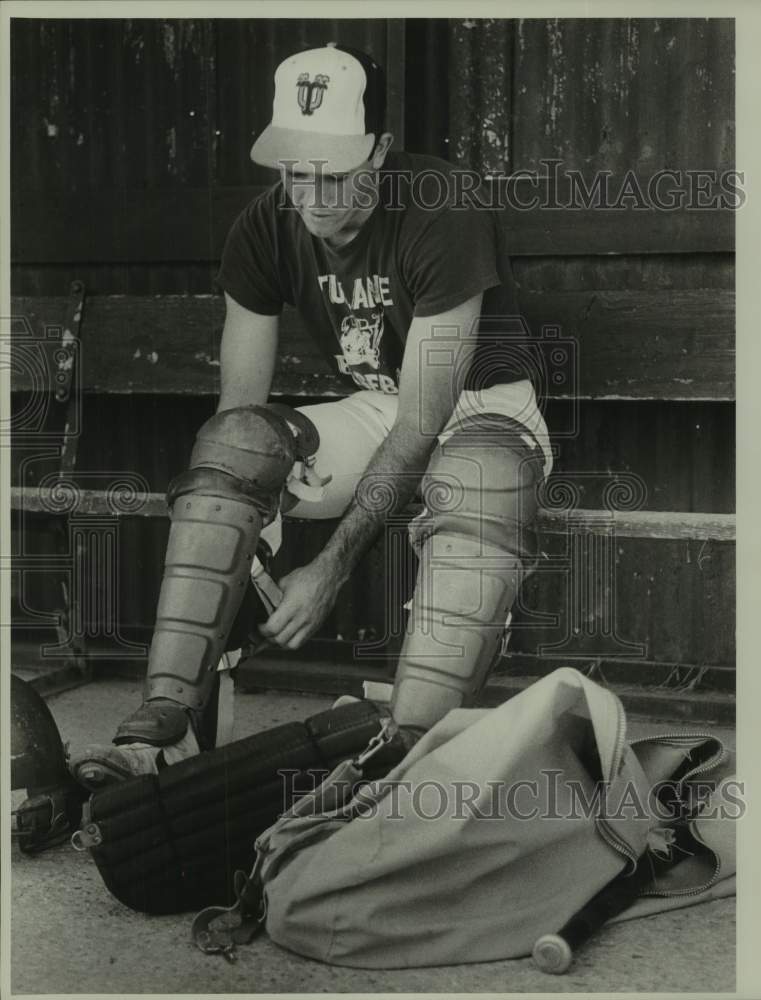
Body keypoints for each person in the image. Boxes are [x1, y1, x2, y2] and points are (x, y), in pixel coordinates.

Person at [69, 42, 553, 788]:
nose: (314, 195)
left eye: (336, 173)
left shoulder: (441, 206)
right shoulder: (265, 225)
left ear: (382, 151)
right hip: (376, 409)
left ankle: (403, 762)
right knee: (234, 447)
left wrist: (327, 568)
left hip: (482, 412)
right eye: (297, 172)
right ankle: (160, 730)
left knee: (478, 478)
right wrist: (247, 518)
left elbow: (426, 424)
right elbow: (240, 409)